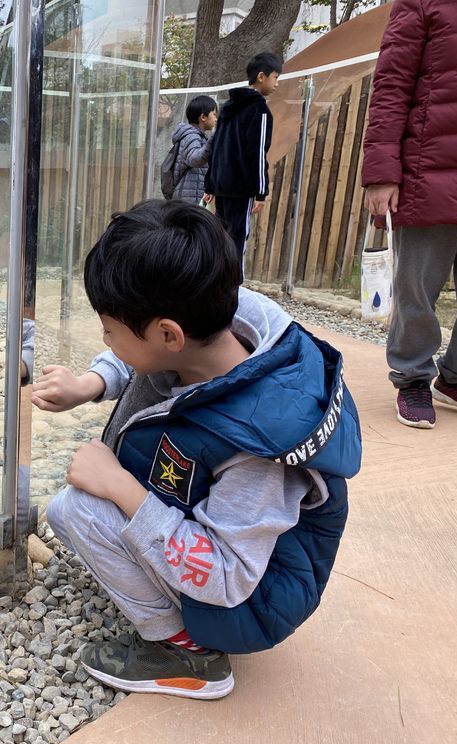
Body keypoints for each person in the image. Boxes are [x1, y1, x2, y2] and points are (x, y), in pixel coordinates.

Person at [31, 200, 361, 700]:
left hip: (249, 598)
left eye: (109, 332)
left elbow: (227, 577)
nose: (106, 340)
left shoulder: (255, 450)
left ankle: (189, 654)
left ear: (168, 334)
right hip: (227, 536)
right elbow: (142, 358)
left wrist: (121, 489)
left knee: (75, 509)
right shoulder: (226, 319)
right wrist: (91, 383)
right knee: (98, 495)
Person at [362, 0, 457, 428]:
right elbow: (391, 85)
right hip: (430, 170)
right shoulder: (424, 3)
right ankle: (411, 378)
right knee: (417, 289)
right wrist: (381, 172)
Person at [205, 52, 281, 260]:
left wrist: (210, 185)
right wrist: (260, 192)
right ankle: (232, 286)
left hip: (221, 186)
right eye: (275, 77)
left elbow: (216, 148)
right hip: (241, 188)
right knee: (237, 240)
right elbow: (257, 152)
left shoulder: (228, 108)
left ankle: (217, 284)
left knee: (221, 238)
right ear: (262, 76)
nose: (277, 83)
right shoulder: (260, 110)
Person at [161, 95, 218, 205]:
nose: (216, 118)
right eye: (214, 114)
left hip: (190, 196)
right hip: (188, 199)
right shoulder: (191, 136)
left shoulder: (196, 136)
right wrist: (213, 140)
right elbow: (194, 159)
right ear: (203, 117)